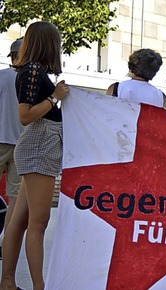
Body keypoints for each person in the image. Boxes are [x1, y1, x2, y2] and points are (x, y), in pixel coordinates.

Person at [0, 21, 70, 290]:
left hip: (38, 144)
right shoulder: (32, 71)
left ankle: (8, 281)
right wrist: (54, 98)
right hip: (40, 144)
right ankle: (39, 286)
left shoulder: (33, 70)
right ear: (48, 44)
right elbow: (25, 115)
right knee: (38, 222)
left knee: (20, 221)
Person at [0, 39, 24, 251]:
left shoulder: (1, 77)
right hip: (21, 144)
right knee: (14, 198)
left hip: (0, 140)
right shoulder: (30, 80)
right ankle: (6, 242)